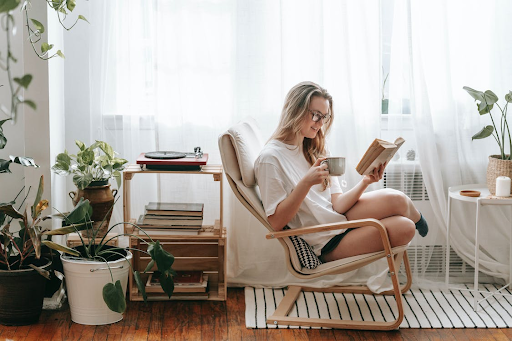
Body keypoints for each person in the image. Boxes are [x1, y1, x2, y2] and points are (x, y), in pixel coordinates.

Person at [254, 81, 428, 263]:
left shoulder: (313, 148)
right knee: (405, 228)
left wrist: (365, 182)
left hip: (339, 219)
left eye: (325, 117)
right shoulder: (270, 159)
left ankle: (419, 219)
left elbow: (337, 203)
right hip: (326, 241)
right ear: (296, 110)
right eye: (316, 115)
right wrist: (306, 183)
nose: (321, 123)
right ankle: (415, 221)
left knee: (398, 199)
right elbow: (275, 223)